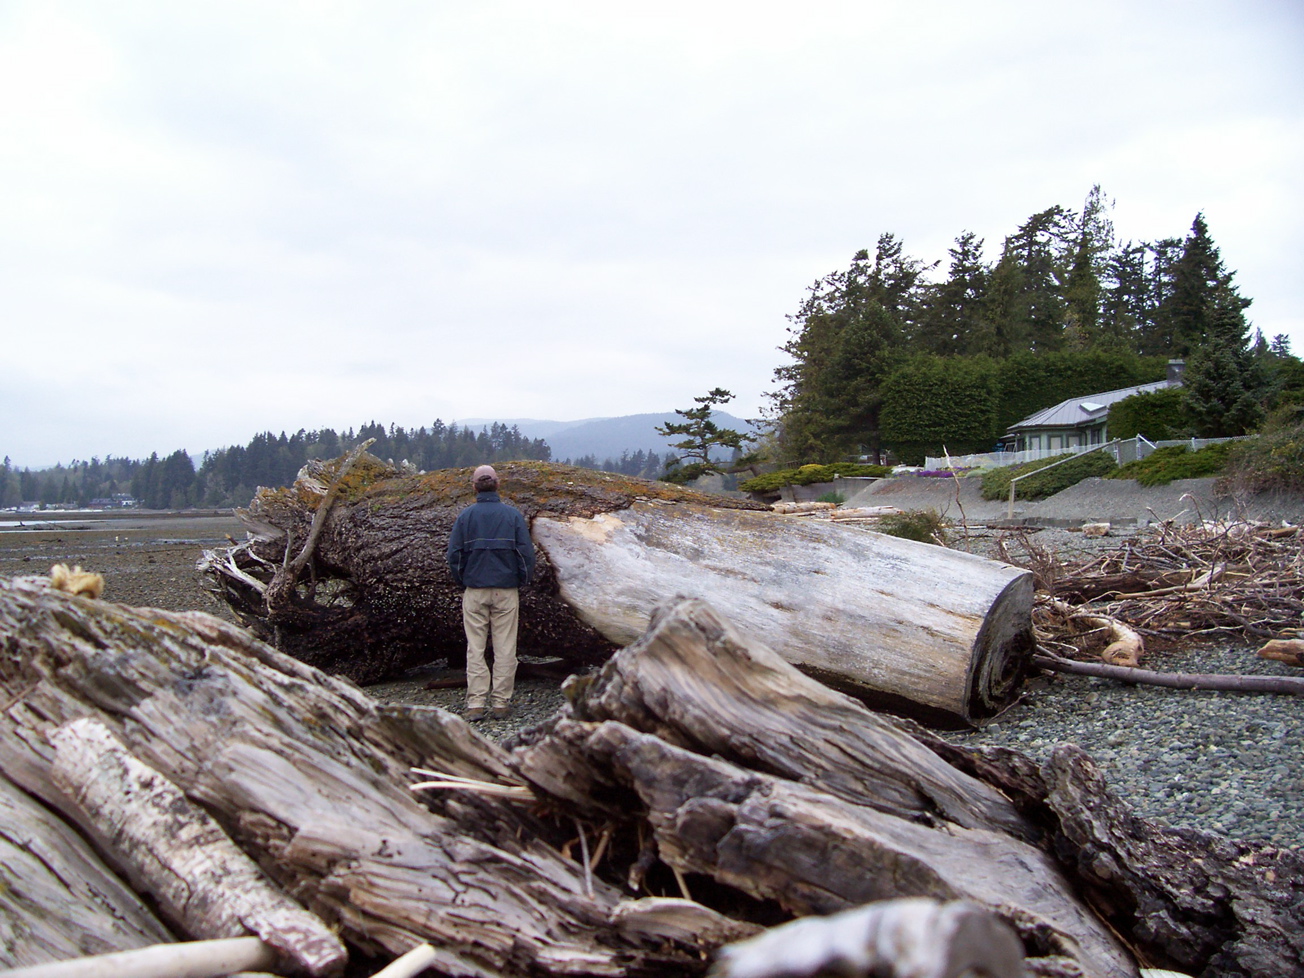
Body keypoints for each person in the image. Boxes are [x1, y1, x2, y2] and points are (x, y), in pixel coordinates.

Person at [445, 465, 535, 721]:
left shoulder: (466, 517)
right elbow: (526, 554)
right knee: (505, 647)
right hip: (506, 590)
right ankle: (500, 703)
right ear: (497, 484)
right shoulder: (512, 516)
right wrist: (522, 580)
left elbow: (454, 555)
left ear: (474, 487)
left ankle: (475, 704)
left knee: (475, 647)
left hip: (475, 589)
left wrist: (462, 580)